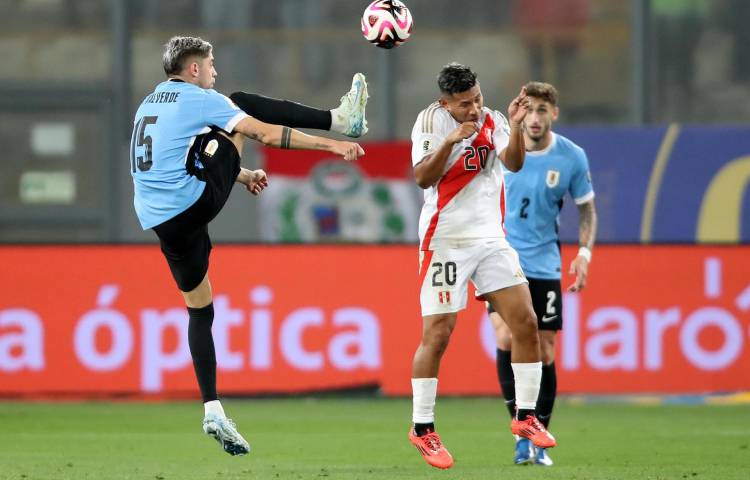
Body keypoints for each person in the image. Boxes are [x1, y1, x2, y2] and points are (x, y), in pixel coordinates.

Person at [130, 36, 366, 457]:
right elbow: (265, 134)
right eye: (211, 64)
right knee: (240, 103)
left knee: (200, 310)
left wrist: (238, 175)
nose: (215, 71)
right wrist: (333, 146)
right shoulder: (199, 99)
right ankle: (340, 119)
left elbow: (181, 156)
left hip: (163, 222)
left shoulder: (149, 104)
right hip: (192, 202)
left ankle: (212, 407)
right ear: (195, 69)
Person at [407, 63, 556, 470]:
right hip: (445, 242)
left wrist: (518, 125)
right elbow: (422, 177)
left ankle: (525, 418)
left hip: (490, 240)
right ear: (445, 104)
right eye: (464, 104)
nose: (474, 109)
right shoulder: (430, 121)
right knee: (438, 334)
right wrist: (452, 140)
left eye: (477, 98)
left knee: (526, 322)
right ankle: (422, 429)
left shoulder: (492, 118)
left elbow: (513, 163)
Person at [488, 81, 597, 466]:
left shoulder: (571, 156)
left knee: (545, 348)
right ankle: (520, 431)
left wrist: (583, 253)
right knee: (505, 338)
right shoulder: (504, 149)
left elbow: (586, 209)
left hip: (545, 262)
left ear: (554, 114)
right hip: (501, 259)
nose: (534, 118)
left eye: (542, 111)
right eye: (529, 109)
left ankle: (537, 435)